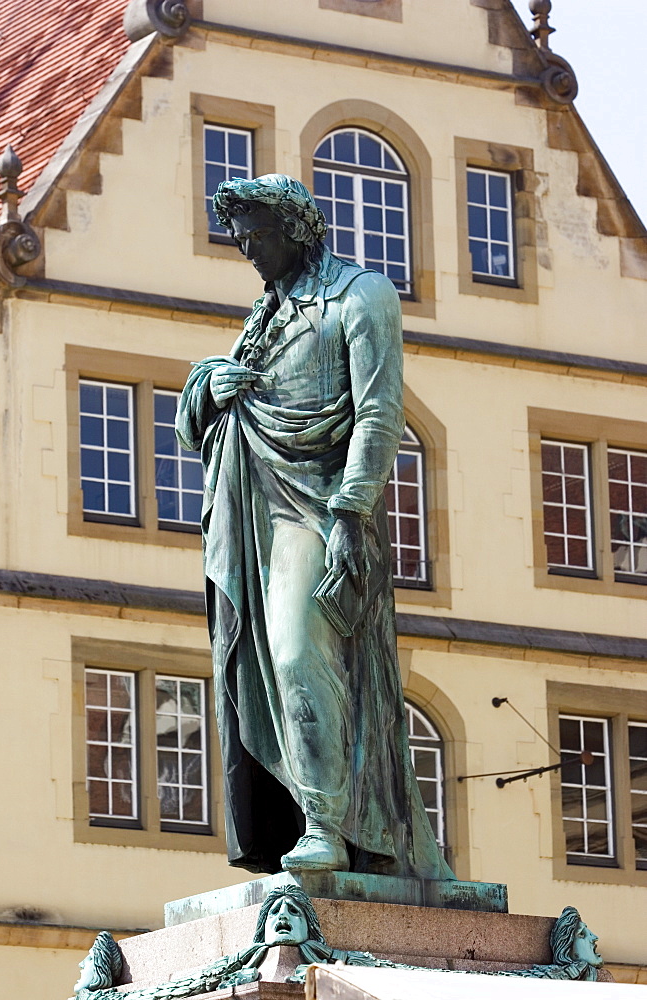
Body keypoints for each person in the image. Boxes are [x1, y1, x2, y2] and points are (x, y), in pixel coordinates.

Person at [176, 174, 454, 879]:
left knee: (299, 655)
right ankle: (304, 821)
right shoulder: (265, 313)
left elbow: (380, 412)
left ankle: (327, 826)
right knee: (260, 667)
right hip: (255, 507)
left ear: (296, 228)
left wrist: (352, 513)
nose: (248, 250)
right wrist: (210, 385)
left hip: (321, 507)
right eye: (239, 239)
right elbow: (206, 418)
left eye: (258, 235)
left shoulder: (361, 296)